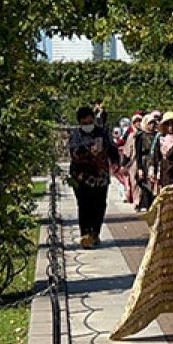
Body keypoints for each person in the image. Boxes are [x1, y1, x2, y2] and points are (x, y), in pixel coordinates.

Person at [68, 105, 120, 248]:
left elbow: (112, 150)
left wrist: (115, 163)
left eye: (90, 122)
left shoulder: (103, 133)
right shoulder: (76, 136)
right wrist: (89, 149)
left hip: (100, 178)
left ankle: (95, 233)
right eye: (84, 123)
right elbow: (74, 152)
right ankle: (85, 234)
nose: (88, 126)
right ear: (79, 123)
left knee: (99, 205)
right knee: (84, 206)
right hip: (81, 178)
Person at [131, 112, 159, 211]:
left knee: (152, 184)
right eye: (150, 123)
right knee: (143, 184)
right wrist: (139, 168)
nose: (152, 125)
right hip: (144, 162)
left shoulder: (157, 136)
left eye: (153, 123)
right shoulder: (140, 136)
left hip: (153, 161)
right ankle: (146, 204)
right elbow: (138, 153)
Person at [151, 111, 173, 189]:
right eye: (167, 124)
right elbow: (156, 157)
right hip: (164, 173)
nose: (170, 127)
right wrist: (153, 170)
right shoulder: (160, 139)